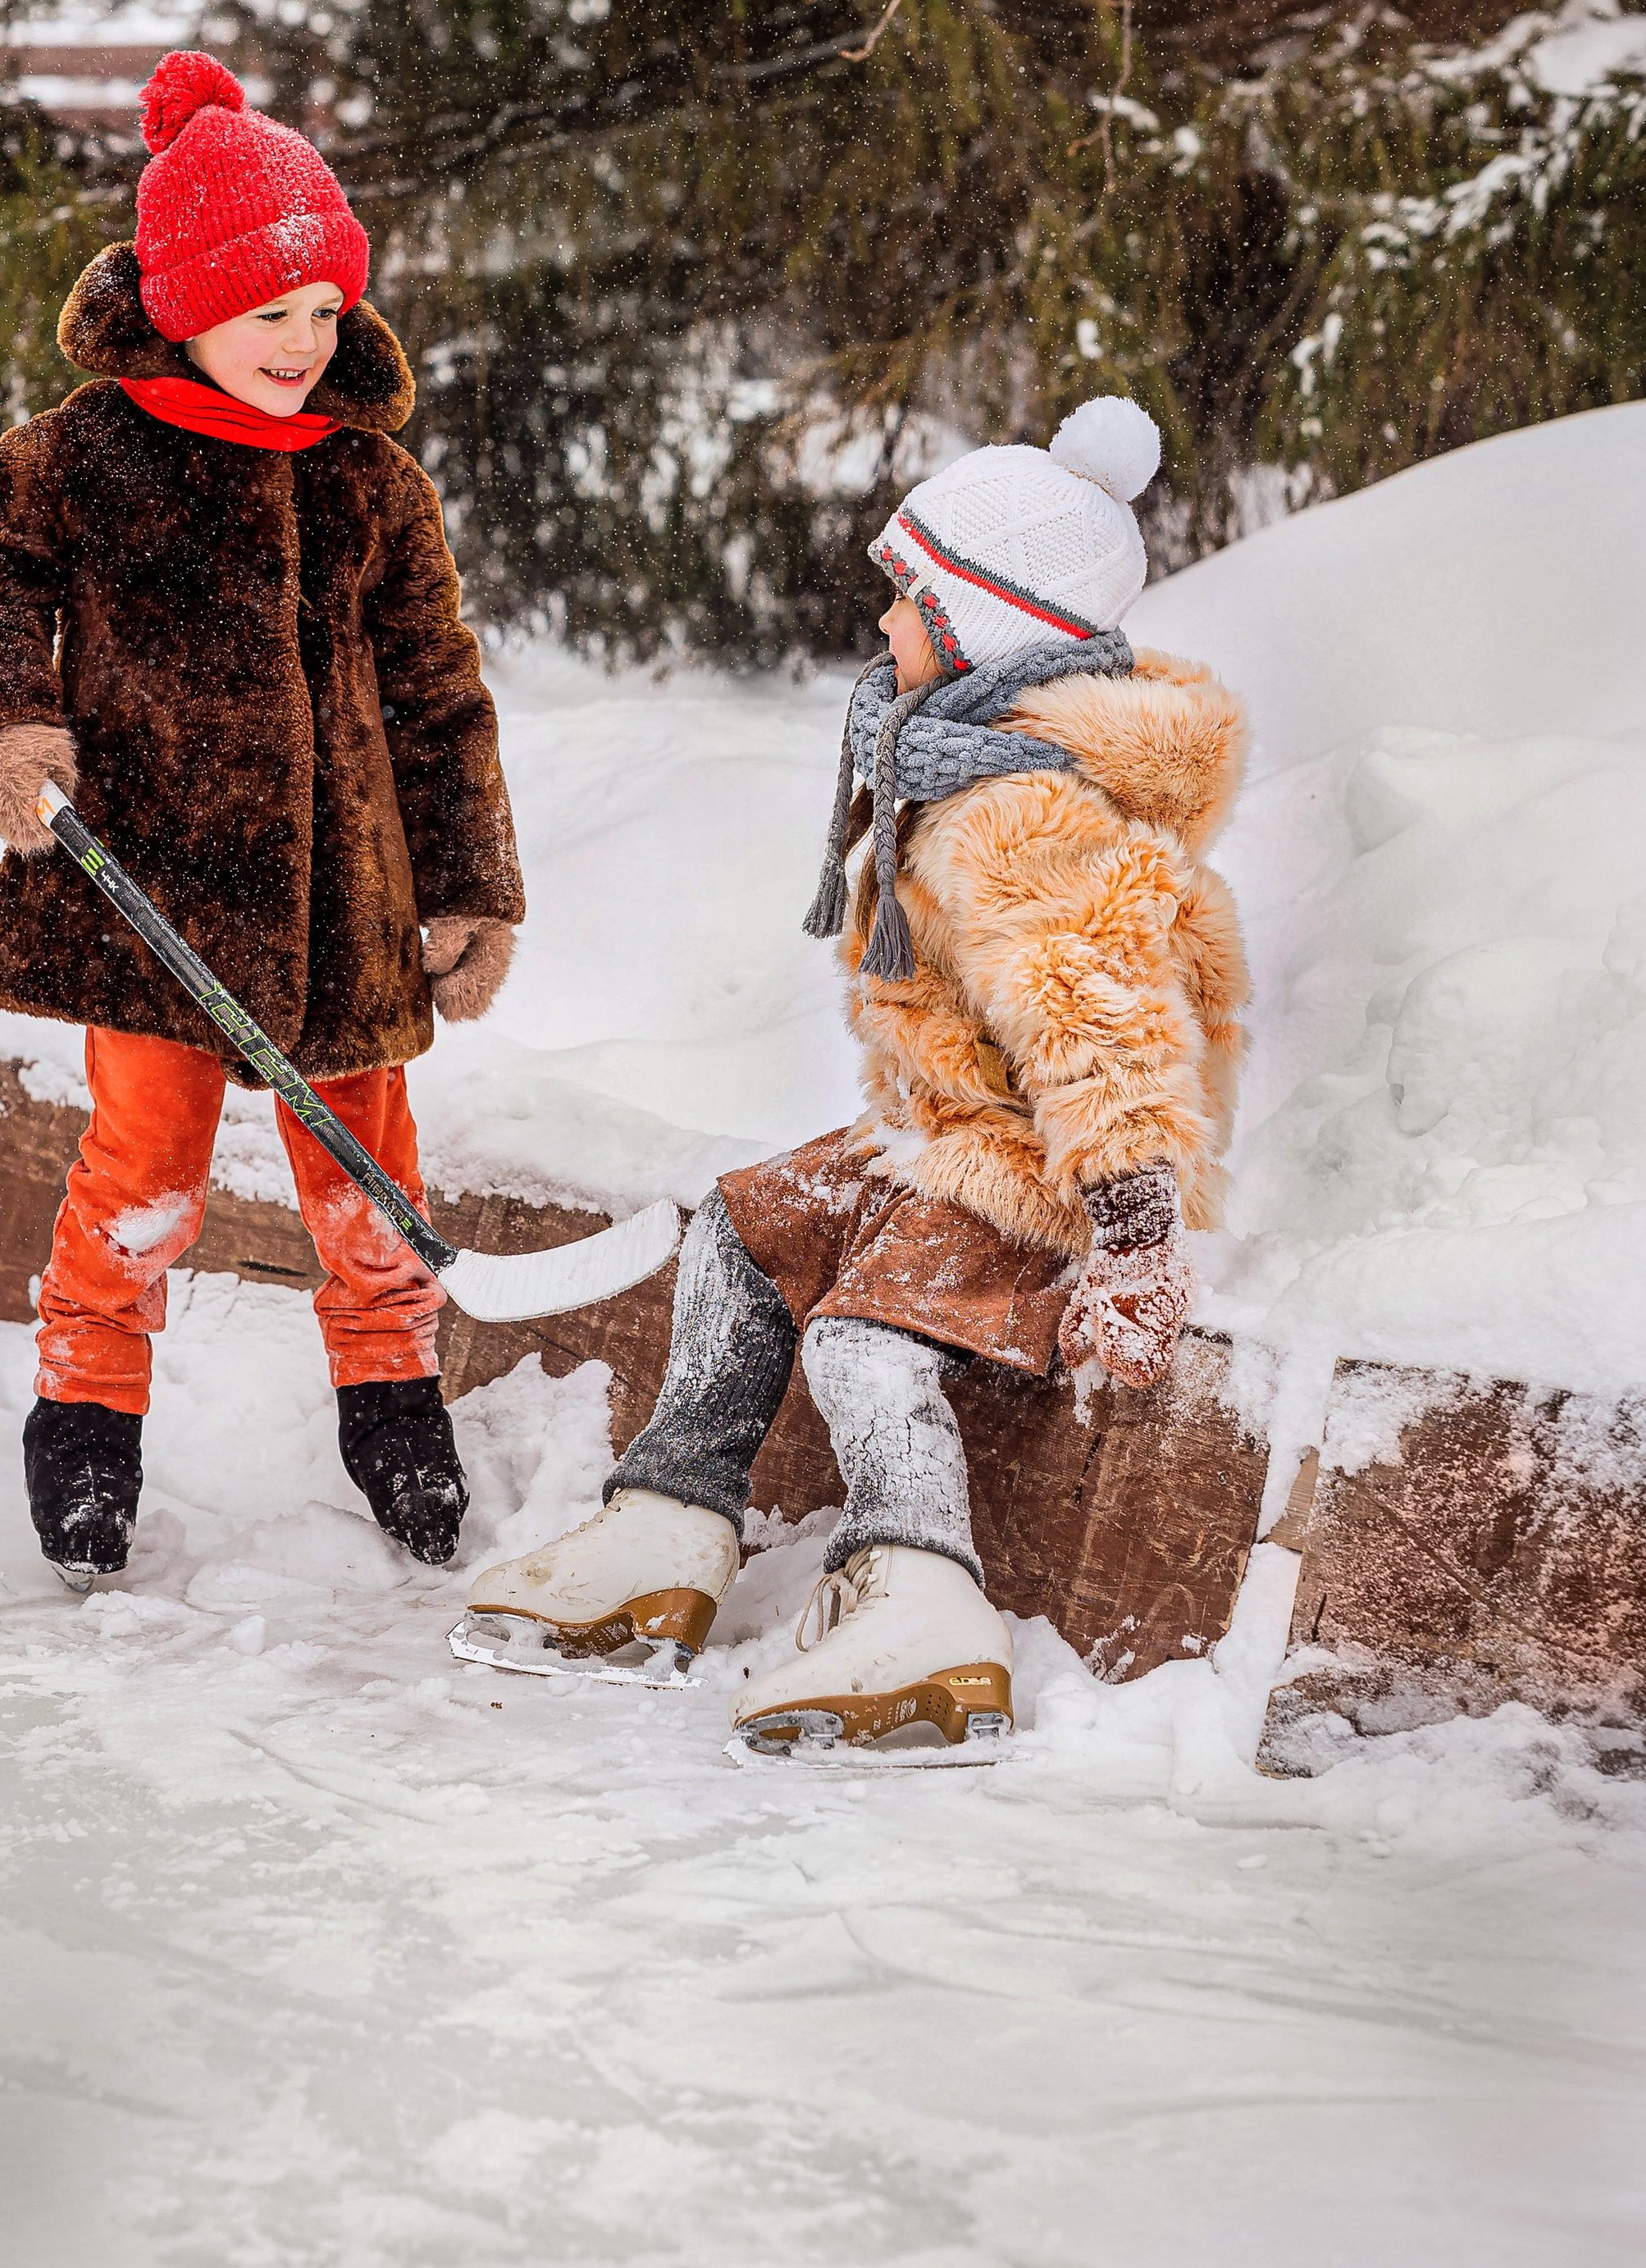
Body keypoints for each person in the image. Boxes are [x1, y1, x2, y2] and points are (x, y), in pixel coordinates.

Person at [457, 399, 1248, 1758]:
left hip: (1047, 1170)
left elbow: (1102, 1026)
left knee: (861, 1337)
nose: (883, 627)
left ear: (992, 627)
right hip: (943, 1128)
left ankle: (922, 1597)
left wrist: (1134, 1231)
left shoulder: (1025, 811)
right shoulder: (964, 761)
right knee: (741, 1226)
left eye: (909, 600)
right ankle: (668, 1527)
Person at [0, 48, 523, 1589]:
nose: (308, 346)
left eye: (327, 313)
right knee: (145, 1172)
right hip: (156, 894)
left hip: (348, 905)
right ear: (184, 302)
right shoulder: (81, 455)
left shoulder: (373, 484)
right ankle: (87, 1426)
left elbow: (441, 691)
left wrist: (468, 884)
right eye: (274, 315)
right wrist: (3, 727)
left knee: (370, 1181)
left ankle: (395, 1411)